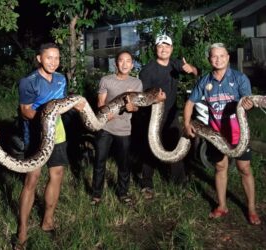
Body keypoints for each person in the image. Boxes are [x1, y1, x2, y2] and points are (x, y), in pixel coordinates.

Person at [184, 42, 261, 225]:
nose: (218, 59)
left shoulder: (239, 78)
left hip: (238, 133)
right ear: (210, 59)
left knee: (244, 169)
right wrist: (186, 124)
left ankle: (251, 209)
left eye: (222, 56)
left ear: (227, 57)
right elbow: (189, 103)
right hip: (216, 134)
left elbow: (247, 101)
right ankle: (222, 206)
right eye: (214, 56)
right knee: (220, 167)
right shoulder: (205, 81)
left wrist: (247, 105)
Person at [15, 43, 78, 247]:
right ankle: (22, 230)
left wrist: (76, 104)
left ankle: (47, 222)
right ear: (39, 58)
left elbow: (62, 104)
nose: (53, 62)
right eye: (49, 57)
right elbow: (25, 110)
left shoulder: (61, 79)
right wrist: (45, 117)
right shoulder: (28, 82)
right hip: (35, 135)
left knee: (57, 175)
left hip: (58, 134)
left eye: (57, 58)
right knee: (32, 179)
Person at [135, 34, 198, 199]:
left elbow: (195, 71)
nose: (164, 49)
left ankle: (180, 183)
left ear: (171, 49)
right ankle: (147, 184)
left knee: (175, 146)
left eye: (167, 46)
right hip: (152, 116)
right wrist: (155, 98)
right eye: (160, 46)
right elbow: (143, 98)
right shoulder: (147, 71)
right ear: (156, 49)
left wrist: (191, 69)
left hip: (171, 114)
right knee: (150, 148)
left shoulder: (176, 64)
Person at [91, 50, 144, 205]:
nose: (125, 64)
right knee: (100, 161)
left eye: (128, 61)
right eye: (121, 61)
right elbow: (100, 103)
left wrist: (130, 107)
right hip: (105, 127)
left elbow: (137, 108)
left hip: (124, 129)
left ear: (132, 65)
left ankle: (123, 193)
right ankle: (96, 195)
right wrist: (106, 111)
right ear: (116, 63)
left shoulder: (137, 83)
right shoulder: (106, 80)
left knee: (124, 163)